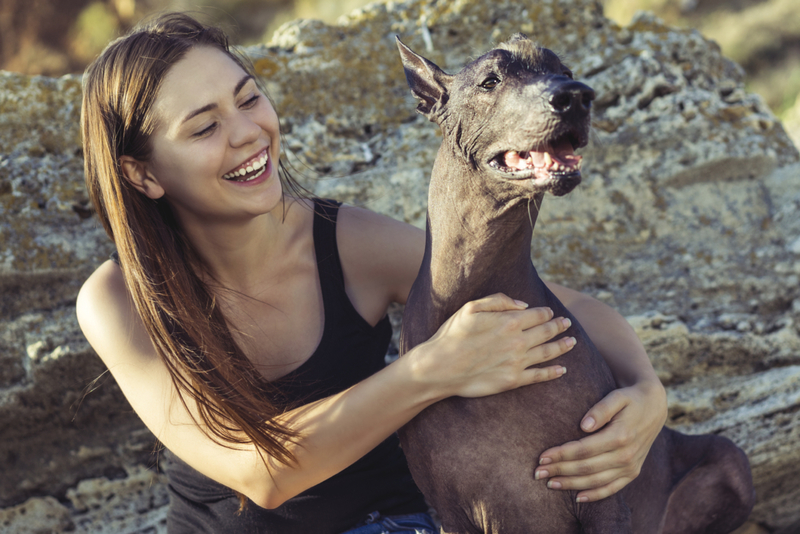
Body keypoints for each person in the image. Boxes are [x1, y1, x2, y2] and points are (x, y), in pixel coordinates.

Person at [76, 13, 668, 534]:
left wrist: (645, 394)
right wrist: (433, 370)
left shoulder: (349, 242)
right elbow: (258, 471)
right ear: (142, 174)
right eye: (204, 128)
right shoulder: (119, 298)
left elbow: (570, 308)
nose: (247, 132)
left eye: (249, 98)